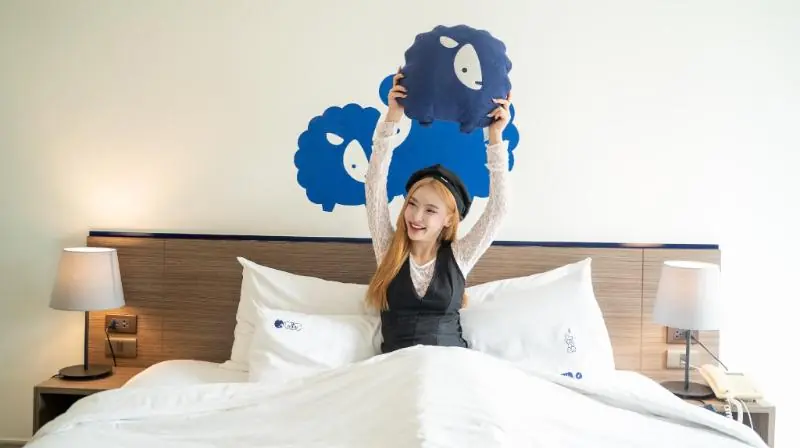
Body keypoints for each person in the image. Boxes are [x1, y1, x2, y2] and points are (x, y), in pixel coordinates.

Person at [364, 69, 512, 354]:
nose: (416, 216)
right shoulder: (388, 250)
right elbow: (374, 185)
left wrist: (494, 136)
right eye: (412, 204)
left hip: (450, 366)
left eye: (430, 210)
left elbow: (499, 209)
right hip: (398, 369)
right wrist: (392, 117)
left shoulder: (459, 256)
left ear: (448, 219)